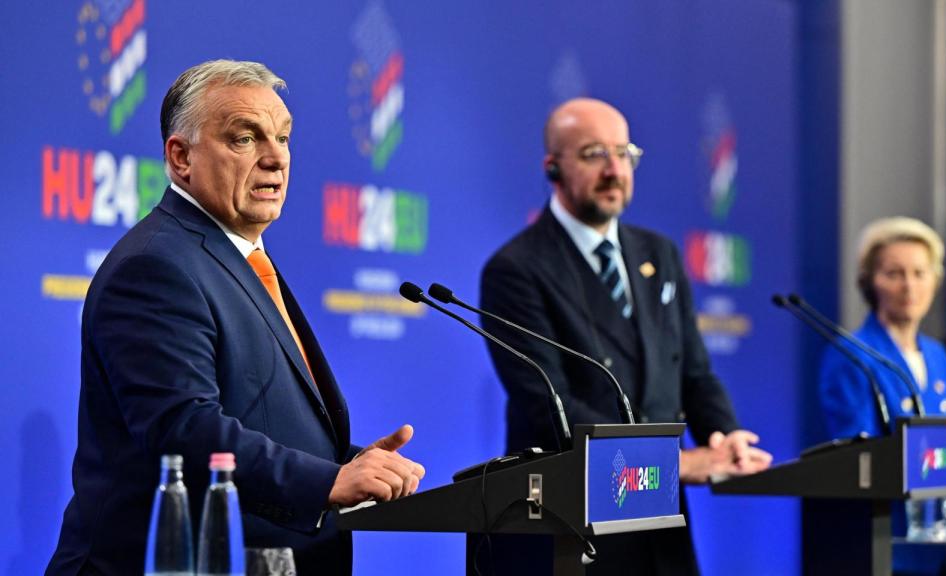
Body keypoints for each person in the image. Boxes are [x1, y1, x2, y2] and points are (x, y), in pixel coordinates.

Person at [45, 60, 425, 576]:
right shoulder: (155, 265)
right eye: (245, 138)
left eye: (284, 138)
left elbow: (254, 416)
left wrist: (343, 466)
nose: (275, 159)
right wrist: (324, 483)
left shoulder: (237, 256)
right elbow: (182, 427)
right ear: (181, 158)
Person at [479, 97, 772, 575]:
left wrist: (724, 432)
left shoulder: (658, 253)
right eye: (595, 154)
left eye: (625, 153)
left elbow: (692, 370)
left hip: (660, 525)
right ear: (552, 167)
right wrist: (673, 463)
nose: (615, 170)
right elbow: (550, 406)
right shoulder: (517, 269)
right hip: (573, 523)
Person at [819, 217, 946, 460]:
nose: (909, 285)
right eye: (894, 274)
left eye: (919, 273)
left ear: (935, 280)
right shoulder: (851, 354)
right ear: (869, 282)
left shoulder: (936, 354)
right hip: (891, 498)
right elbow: (860, 453)